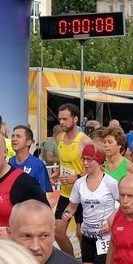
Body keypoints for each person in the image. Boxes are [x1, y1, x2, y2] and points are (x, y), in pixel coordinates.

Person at [61, 144, 118, 264]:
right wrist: (67, 213)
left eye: (89, 159)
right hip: (87, 236)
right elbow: (72, 206)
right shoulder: (79, 183)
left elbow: (123, 205)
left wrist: (111, 221)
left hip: (105, 237)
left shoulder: (110, 182)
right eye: (83, 159)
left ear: (99, 161)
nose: (85, 163)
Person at [53, 104, 92, 256]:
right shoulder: (59, 138)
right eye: (60, 119)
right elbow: (65, 162)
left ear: (75, 119)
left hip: (82, 195)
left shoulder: (85, 141)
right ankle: (70, 262)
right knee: (58, 232)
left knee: (81, 234)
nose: (61, 122)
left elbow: (95, 168)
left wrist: (75, 177)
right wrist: (57, 172)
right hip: (66, 194)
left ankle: (86, 263)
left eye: (65, 119)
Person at [8, 125, 52, 192]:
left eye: (18, 136)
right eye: (13, 136)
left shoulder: (38, 165)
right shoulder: (10, 162)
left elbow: (43, 192)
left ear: (28, 142)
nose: (14, 139)